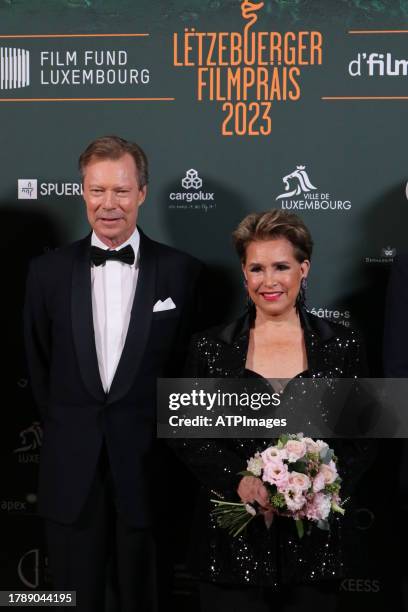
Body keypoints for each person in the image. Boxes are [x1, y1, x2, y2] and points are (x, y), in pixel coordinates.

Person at [24, 135, 203, 612]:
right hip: (70, 477)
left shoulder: (183, 273)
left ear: (142, 192)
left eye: (121, 191)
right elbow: (38, 367)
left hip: (149, 475)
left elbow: (189, 375)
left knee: (147, 599)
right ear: (82, 192)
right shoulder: (47, 274)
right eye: (97, 190)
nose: (109, 204)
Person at [180, 210, 373, 611]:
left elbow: (364, 438)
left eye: (281, 266)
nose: (269, 281)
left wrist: (321, 484)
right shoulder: (209, 347)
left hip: (315, 547)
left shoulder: (344, 345)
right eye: (257, 268)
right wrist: (239, 480)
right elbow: (187, 435)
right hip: (231, 547)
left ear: (304, 268)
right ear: (243, 275)